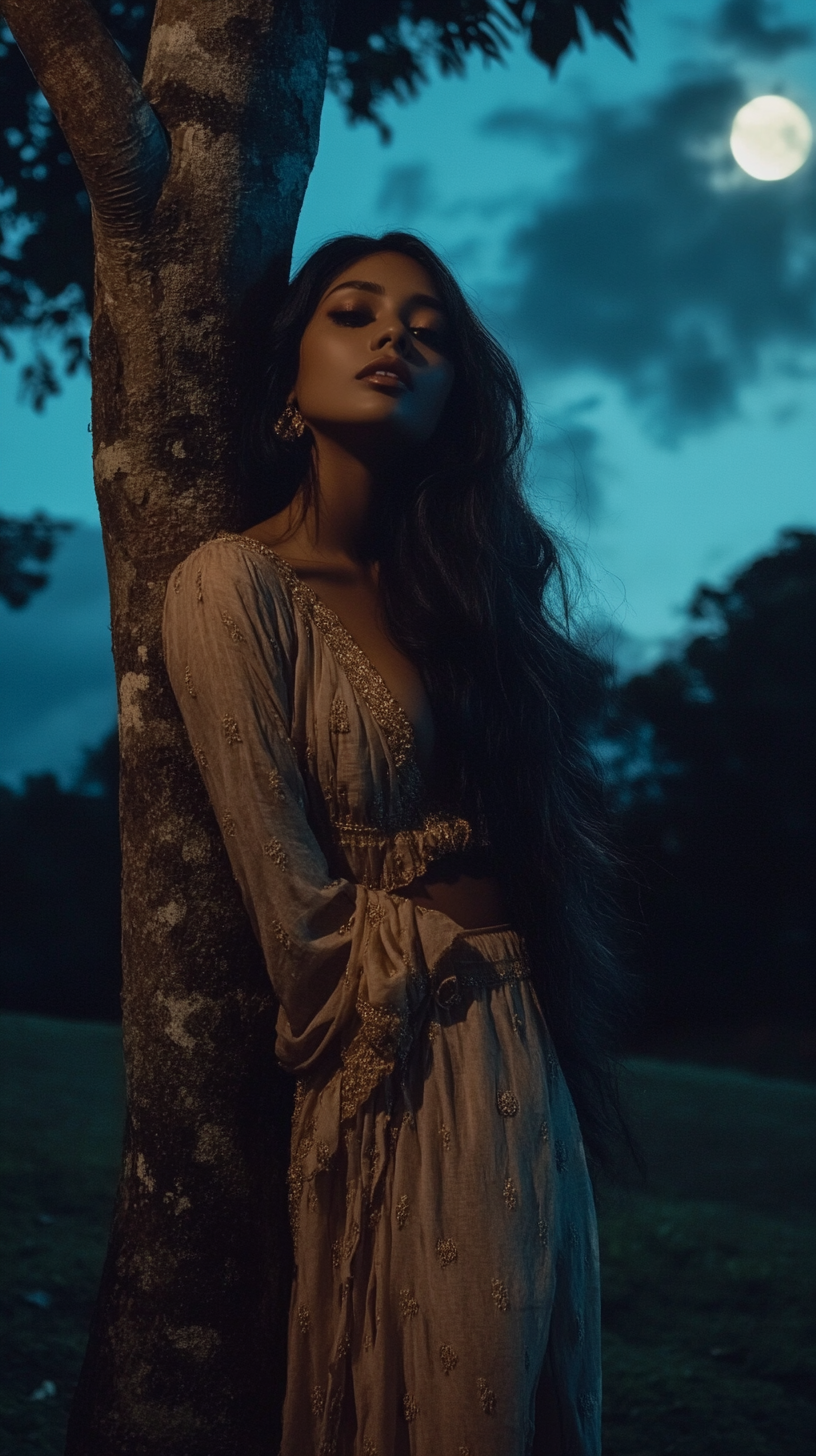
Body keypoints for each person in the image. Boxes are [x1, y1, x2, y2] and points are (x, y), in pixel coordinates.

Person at [163, 233, 624, 1456]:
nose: (392, 340)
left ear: (455, 394)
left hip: (523, 1050)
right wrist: (416, 965)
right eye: (355, 314)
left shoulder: (468, 601)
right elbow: (299, 927)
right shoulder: (234, 586)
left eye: (426, 331)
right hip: (396, 1057)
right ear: (285, 387)